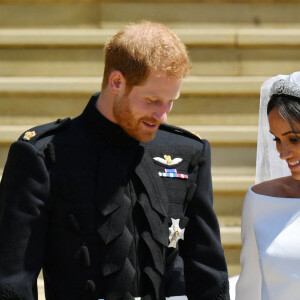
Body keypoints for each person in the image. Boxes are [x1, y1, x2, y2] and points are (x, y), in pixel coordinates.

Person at [0, 21, 229, 300]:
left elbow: (209, 276)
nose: (163, 115)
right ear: (117, 82)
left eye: (171, 101)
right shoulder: (44, 156)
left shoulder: (187, 153)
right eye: (152, 99)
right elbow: (12, 282)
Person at [235, 71, 300, 300]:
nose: (283, 154)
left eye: (294, 139)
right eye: (276, 139)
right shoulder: (261, 201)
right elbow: (249, 290)